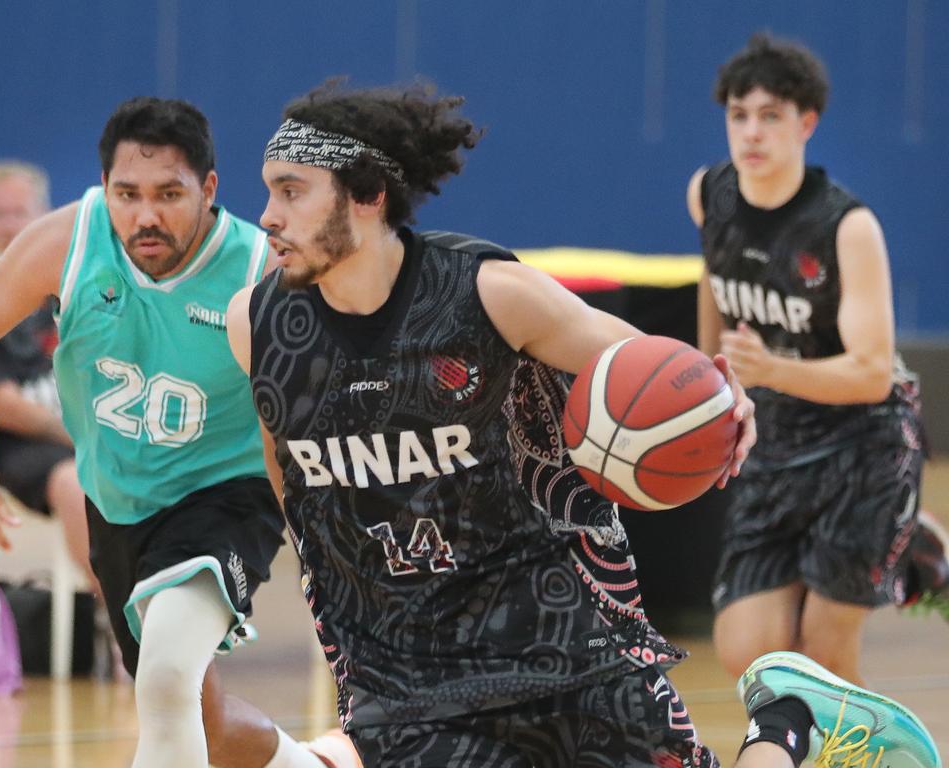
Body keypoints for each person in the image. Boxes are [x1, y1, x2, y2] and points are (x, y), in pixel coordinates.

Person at [225, 80, 938, 768]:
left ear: (369, 195)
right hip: (405, 673)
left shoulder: (486, 293)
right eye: (269, 190)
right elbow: (291, 481)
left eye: (291, 191)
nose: (268, 216)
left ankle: (788, 719)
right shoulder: (257, 326)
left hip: (559, 638)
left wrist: (724, 401)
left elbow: (646, 361)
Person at [0, 98, 360, 768]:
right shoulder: (68, 242)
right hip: (118, 508)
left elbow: (328, 409)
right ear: (105, 189)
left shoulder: (259, 273)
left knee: (161, 679)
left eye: (169, 194)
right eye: (128, 194)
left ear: (208, 190)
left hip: (224, 498)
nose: (147, 215)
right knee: (203, 722)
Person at [688, 32, 949, 688]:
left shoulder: (846, 227)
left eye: (770, 116)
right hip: (777, 442)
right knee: (750, 653)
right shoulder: (709, 194)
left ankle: (902, 547)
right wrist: (702, 375)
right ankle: (912, 547)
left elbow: (869, 373)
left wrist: (770, 369)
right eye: (738, 116)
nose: (751, 133)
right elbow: (712, 276)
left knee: (824, 653)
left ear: (806, 123)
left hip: (864, 445)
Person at [0, 160, 96, 590]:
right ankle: (121, 625)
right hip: (26, 451)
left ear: (44, 220)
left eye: (19, 212)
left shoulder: (76, 292)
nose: (8, 226)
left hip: (94, 435)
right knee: (77, 483)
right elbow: (5, 407)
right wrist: (83, 437)